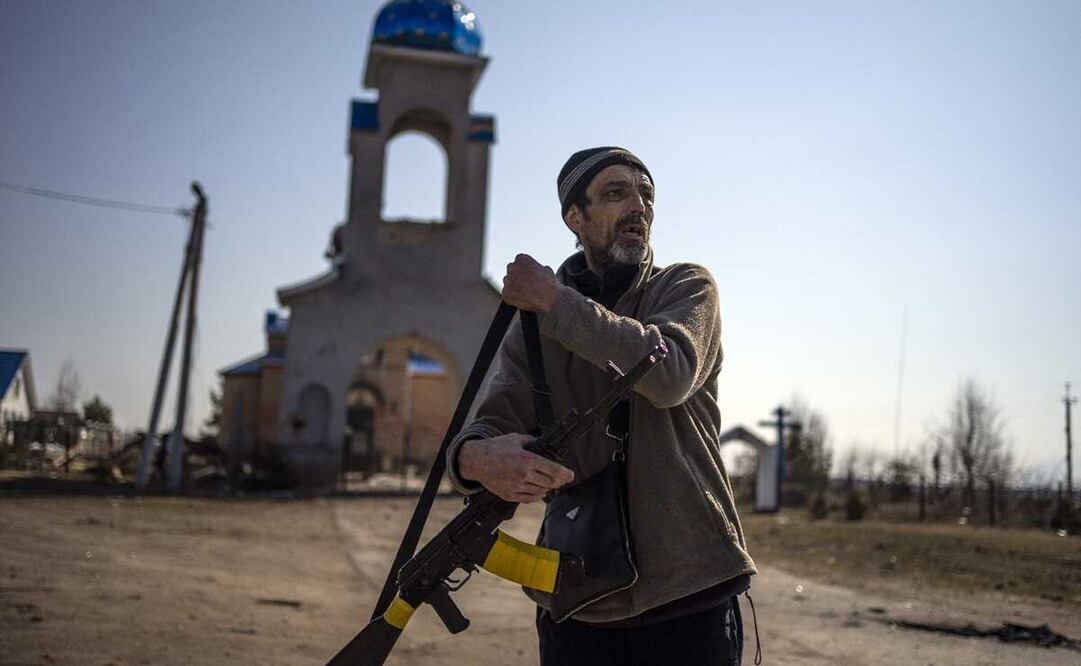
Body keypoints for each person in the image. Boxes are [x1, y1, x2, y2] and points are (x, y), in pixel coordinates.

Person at [447, 147, 757, 665]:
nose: (638, 206)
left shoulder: (685, 287)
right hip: (576, 605)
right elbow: (491, 423)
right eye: (616, 194)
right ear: (576, 217)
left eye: (646, 195)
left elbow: (668, 372)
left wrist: (555, 301)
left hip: (689, 595)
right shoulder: (534, 325)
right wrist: (476, 460)